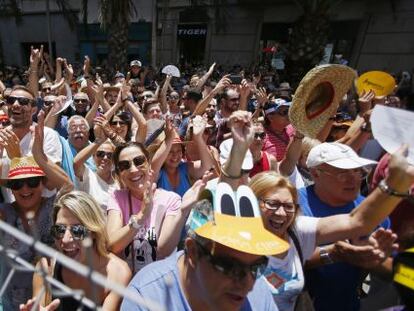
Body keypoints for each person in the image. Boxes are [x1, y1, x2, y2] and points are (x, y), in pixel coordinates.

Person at [120, 182, 289, 311]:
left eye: (256, 266)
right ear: (193, 252)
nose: (247, 283)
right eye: (228, 266)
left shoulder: (259, 293)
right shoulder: (147, 296)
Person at [298, 142, 404, 311]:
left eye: (357, 171)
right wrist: (334, 253)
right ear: (315, 173)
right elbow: (284, 260)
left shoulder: (373, 211)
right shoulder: (292, 207)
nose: (353, 179)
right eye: (342, 173)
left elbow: (393, 271)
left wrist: (375, 259)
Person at [0, 115, 72, 310]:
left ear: (43, 183)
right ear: (11, 188)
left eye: (32, 181)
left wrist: (38, 156)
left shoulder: (53, 208)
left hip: (49, 304)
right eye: (17, 183)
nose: (24, 189)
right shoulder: (5, 213)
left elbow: (68, 185)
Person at [106, 142, 209, 273]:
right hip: (125, 284)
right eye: (124, 165)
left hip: (156, 283)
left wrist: (182, 212)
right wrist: (141, 216)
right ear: (120, 173)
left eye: (139, 161)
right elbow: (112, 245)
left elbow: (163, 251)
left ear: (149, 164)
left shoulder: (171, 199)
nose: (133, 169)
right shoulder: (117, 198)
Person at [19, 191, 131, 311]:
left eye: (77, 230)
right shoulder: (45, 267)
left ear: (94, 232)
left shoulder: (118, 274)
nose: (65, 239)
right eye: (59, 229)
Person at [152, 116, 214, 197]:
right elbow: (154, 167)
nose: (175, 155)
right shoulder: (158, 173)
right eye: (170, 151)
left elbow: (207, 166)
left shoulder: (185, 168)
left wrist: (198, 138)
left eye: (178, 151)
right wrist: (169, 139)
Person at [73, 122, 117, 211]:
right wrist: (99, 141)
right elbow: (76, 162)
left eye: (109, 155)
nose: (105, 158)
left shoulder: (120, 181)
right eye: (100, 154)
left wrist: (112, 135)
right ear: (93, 157)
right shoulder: (87, 175)